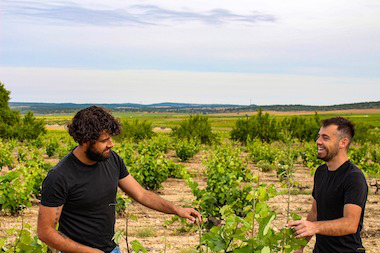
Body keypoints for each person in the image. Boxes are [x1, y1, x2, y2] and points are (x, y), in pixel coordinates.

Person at [37, 106, 201, 253]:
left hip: (112, 249)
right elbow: (46, 232)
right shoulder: (60, 176)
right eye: (104, 140)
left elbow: (141, 194)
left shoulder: (111, 159)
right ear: (85, 141)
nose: (111, 144)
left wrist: (177, 209)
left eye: (111, 138)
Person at [288, 117, 368, 252]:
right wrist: (300, 245)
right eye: (319, 136)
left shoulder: (354, 177)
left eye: (325, 138)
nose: (318, 141)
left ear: (343, 142)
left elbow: (350, 224)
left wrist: (315, 227)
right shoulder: (320, 172)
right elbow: (314, 213)